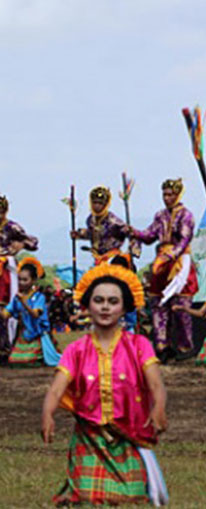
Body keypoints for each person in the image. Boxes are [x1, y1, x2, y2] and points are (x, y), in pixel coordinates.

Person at [42, 263, 169, 505]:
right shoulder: (76, 350)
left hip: (128, 433)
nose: (105, 307)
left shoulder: (139, 345)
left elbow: (156, 385)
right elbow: (57, 388)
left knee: (130, 497)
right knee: (89, 498)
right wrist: (47, 413)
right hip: (89, 436)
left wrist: (158, 407)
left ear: (124, 308)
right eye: (99, 300)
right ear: (88, 305)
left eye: (113, 302)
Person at [131, 178, 198, 362]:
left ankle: (185, 348)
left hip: (179, 263)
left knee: (180, 308)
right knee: (158, 305)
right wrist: (133, 232)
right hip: (161, 264)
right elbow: (149, 235)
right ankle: (162, 347)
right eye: (164, 194)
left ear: (178, 195)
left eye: (170, 195)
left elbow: (184, 239)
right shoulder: (160, 216)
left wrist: (172, 255)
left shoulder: (186, 215)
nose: (167, 198)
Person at [0, 195, 39, 361]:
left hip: (4, 270)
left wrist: (21, 245)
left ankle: (5, 346)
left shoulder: (12, 227)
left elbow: (33, 242)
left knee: (4, 308)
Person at [2, 257, 60, 367]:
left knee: (28, 360)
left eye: (25, 280)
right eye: (19, 279)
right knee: (14, 360)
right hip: (23, 334)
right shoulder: (17, 297)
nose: (21, 283)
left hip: (36, 333)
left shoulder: (39, 297)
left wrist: (23, 302)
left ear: (33, 280)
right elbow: (7, 313)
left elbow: (35, 314)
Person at [70, 186, 138, 265]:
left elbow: (132, 234)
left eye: (100, 203)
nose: (97, 206)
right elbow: (92, 234)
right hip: (97, 258)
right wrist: (79, 234)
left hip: (112, 259)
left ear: (106, 204)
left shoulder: (113, 221)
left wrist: (133, 251)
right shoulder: (90, 220)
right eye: (95, 202)